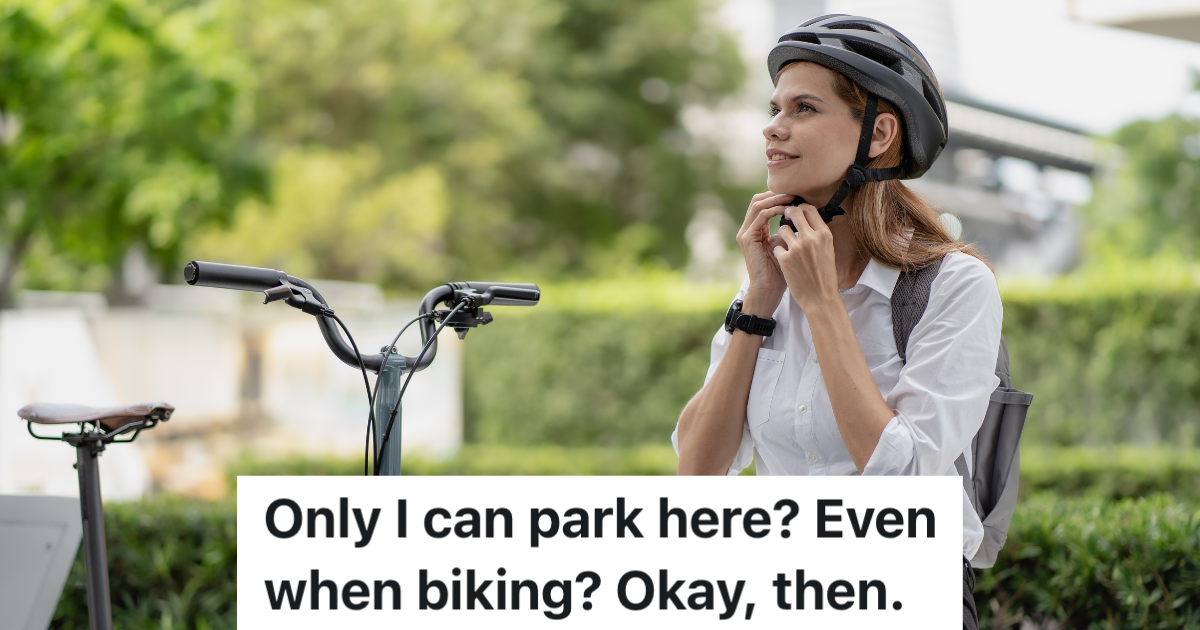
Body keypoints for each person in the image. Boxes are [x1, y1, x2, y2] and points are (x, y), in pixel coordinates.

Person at [671, 15, 999, 630]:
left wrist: (822, 305)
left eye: (803, 108)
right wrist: (760, 304)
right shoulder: (768, 284)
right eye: (774, 108)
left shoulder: (954, 287)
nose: (773, 127)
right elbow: (696, 471)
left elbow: (900, 480)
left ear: (877, 134)